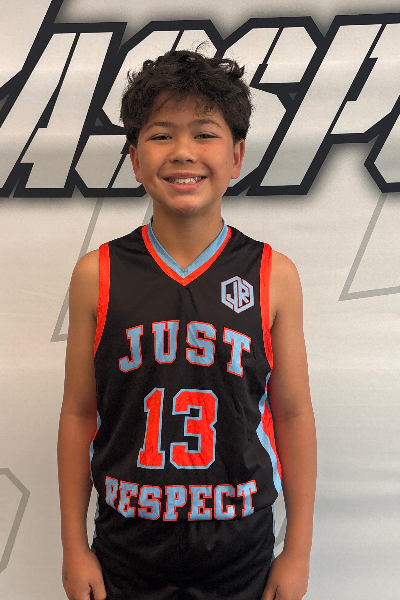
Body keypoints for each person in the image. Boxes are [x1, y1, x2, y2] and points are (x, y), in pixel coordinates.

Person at [58, 50, 317, 600]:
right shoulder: (97, 274)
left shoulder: (273, 275)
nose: (182, 152)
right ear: (134, 158)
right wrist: (73, 546)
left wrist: (297, 551)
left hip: (240, 556)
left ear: (237, 154)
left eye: (204, 133)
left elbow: (292, 414)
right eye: (161, 135)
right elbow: (79, 413)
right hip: (126, 554)